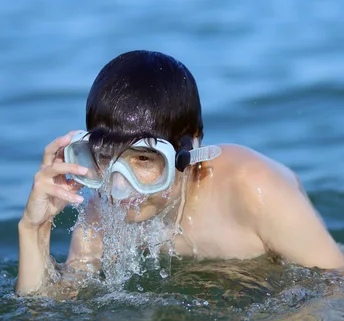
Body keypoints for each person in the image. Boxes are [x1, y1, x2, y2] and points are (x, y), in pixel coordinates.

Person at [17, 51, 344, 295]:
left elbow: (336, 286)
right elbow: (50, 310)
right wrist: (34, 229)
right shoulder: (102, 210)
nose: (119, 187)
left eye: (144, 160)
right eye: (105, 157)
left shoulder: (253, 189)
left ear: (191, 152)